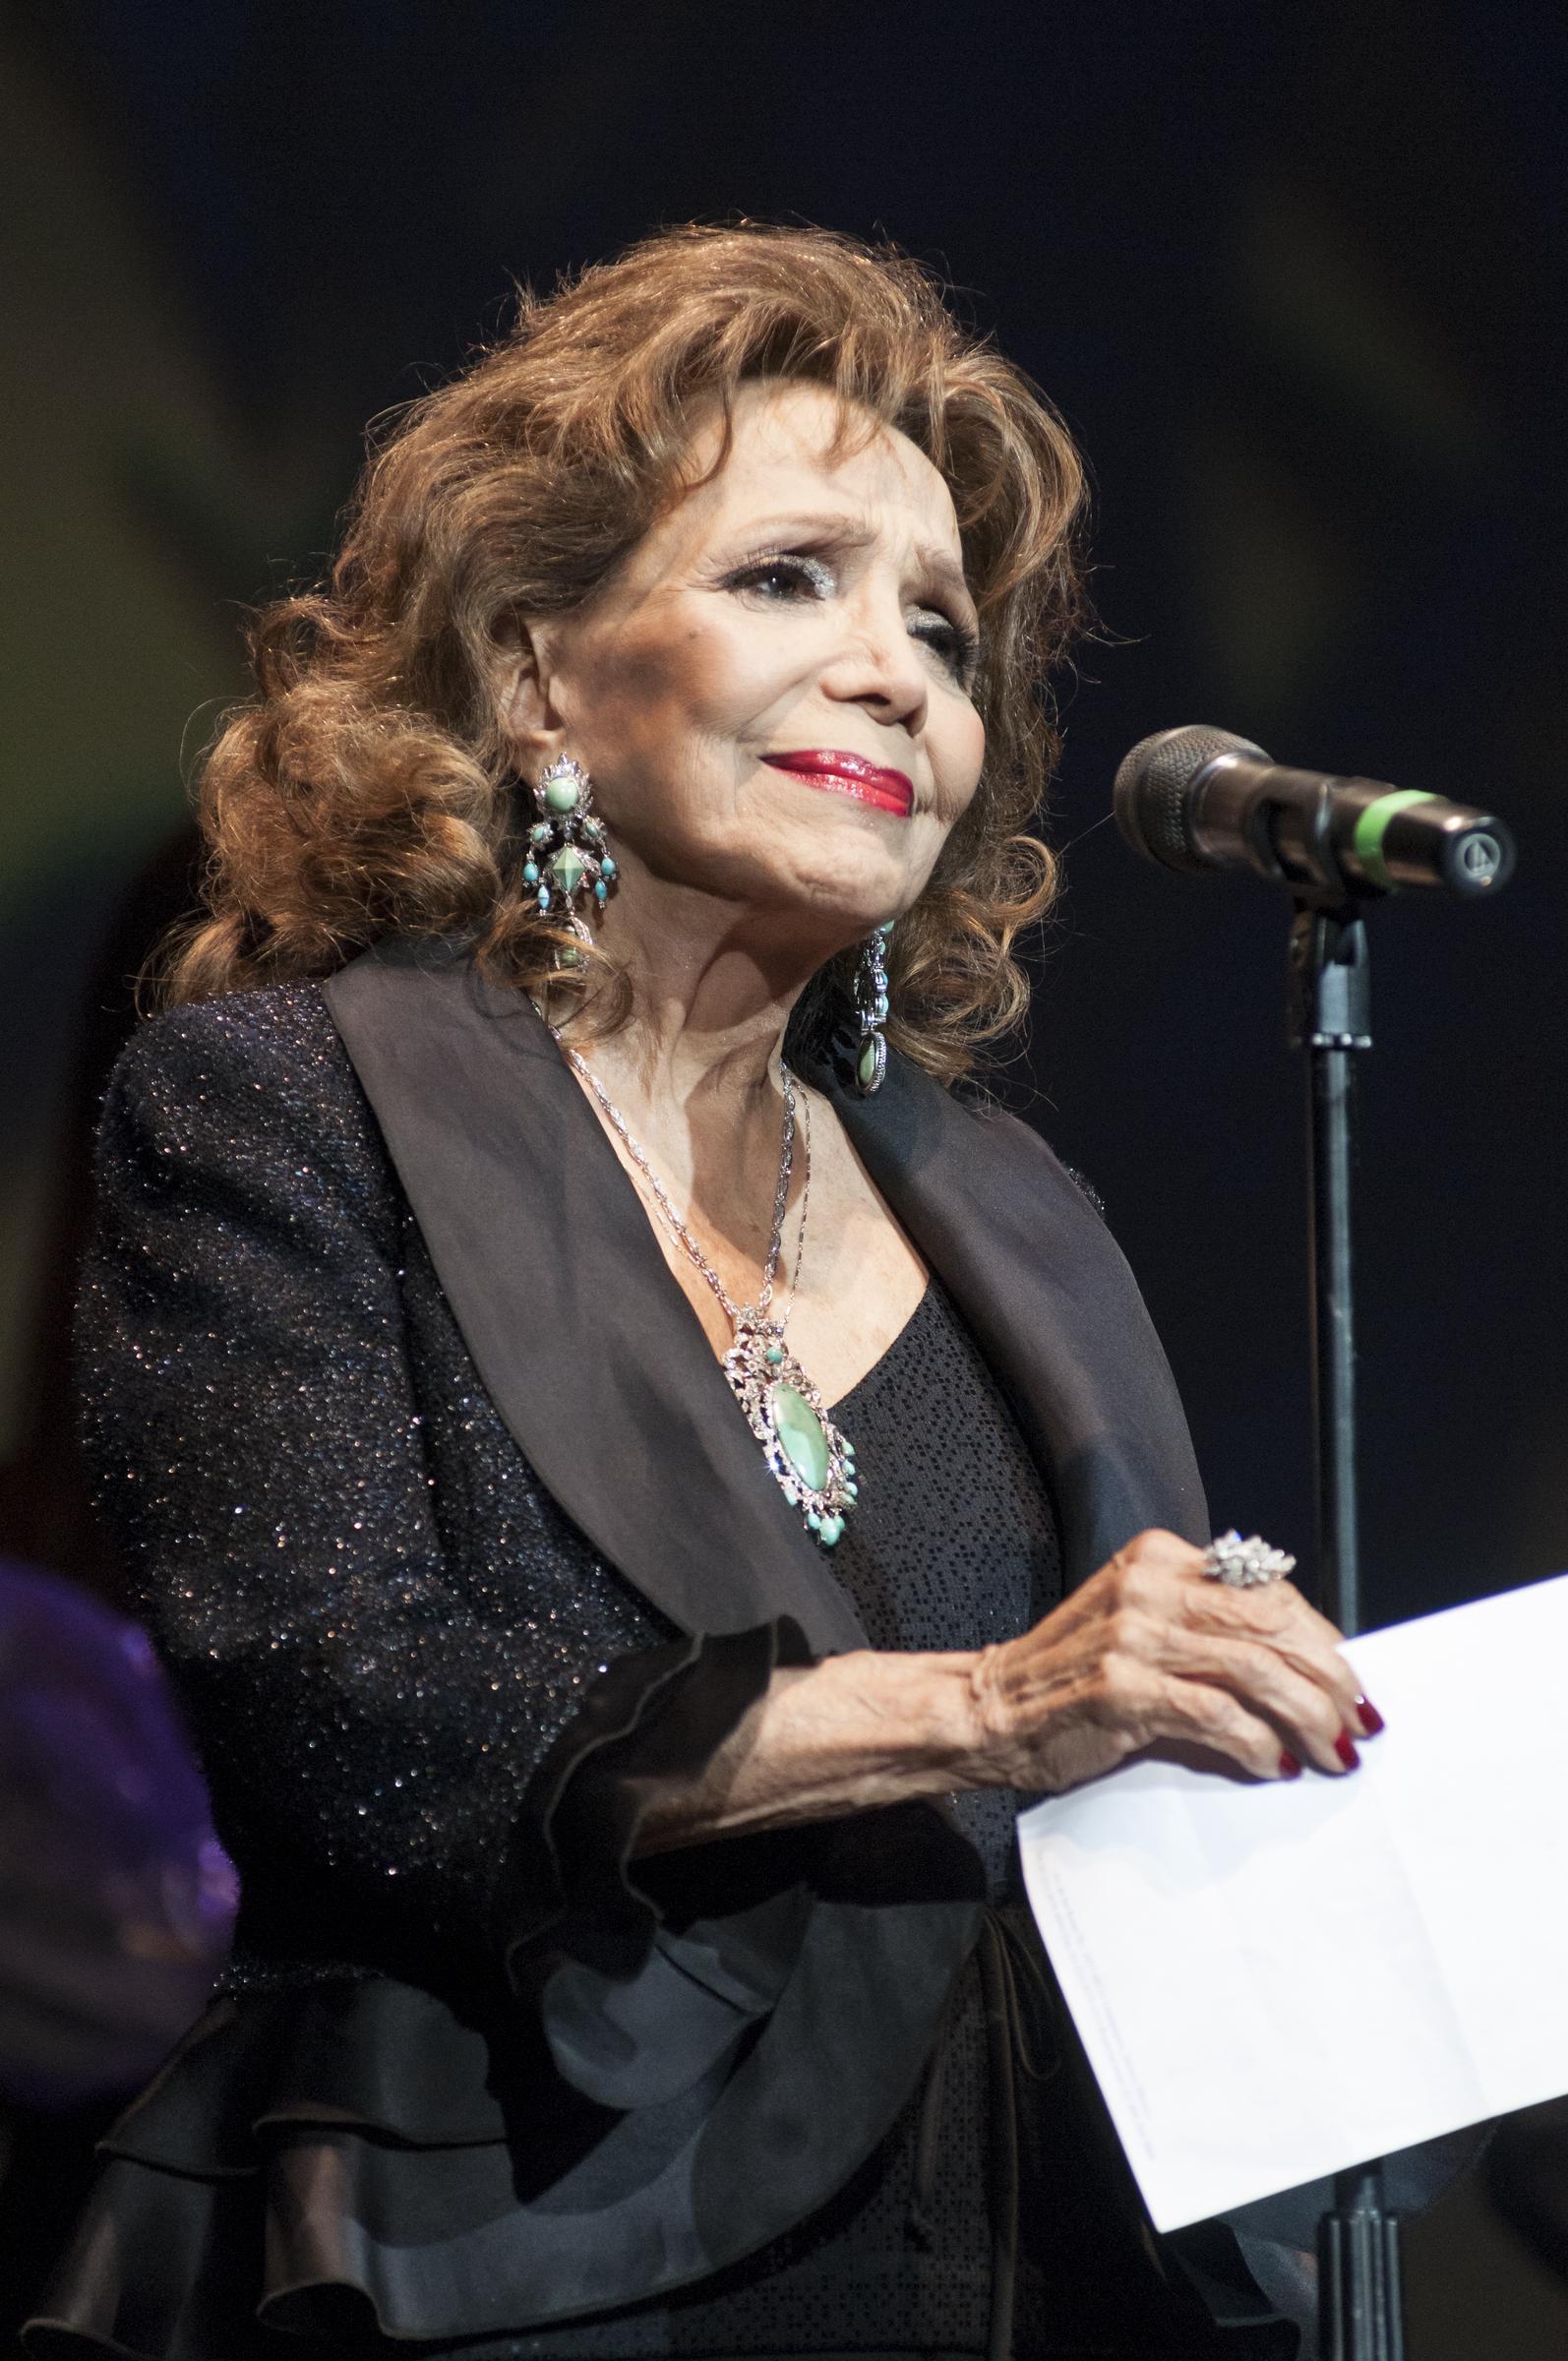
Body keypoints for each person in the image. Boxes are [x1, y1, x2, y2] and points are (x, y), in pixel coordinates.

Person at [27, 224, 1379, 2361]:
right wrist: (986, 1704)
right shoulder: (285, 1104)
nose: (895, 673)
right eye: (787, 581)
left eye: (940, 630)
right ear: (540, 672)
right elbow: (352, 1710)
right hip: (524, 2270)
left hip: (1017, 2285)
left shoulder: (1004, 1209)